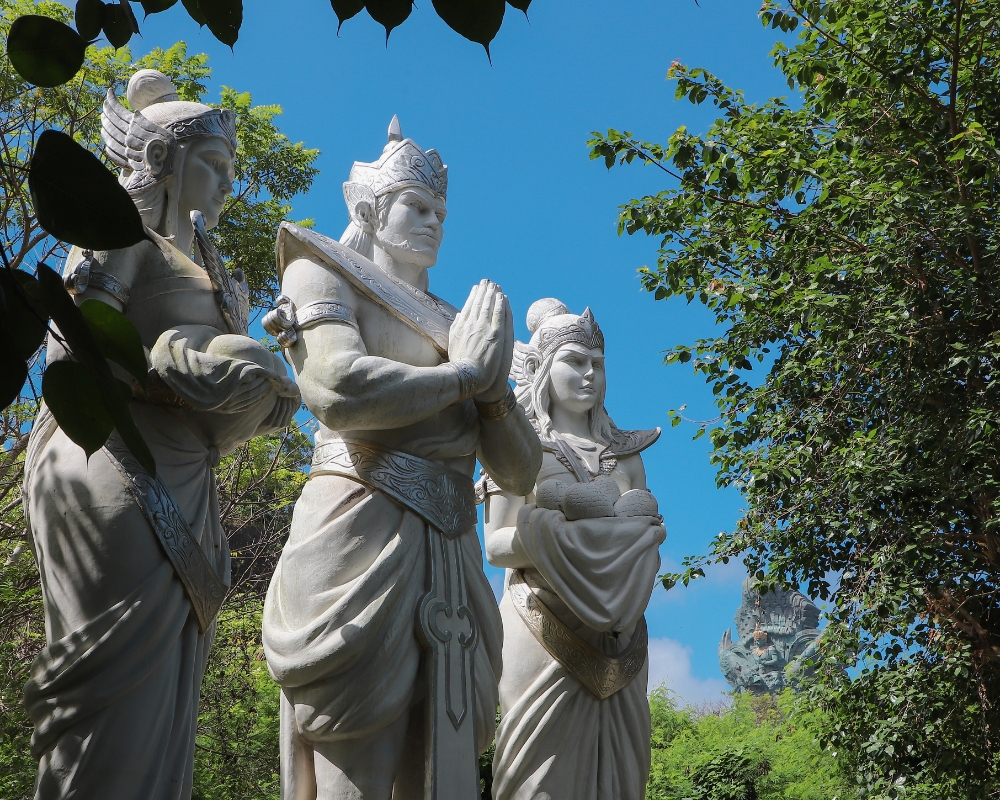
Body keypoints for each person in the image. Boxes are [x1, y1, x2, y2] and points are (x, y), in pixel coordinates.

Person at [22, 69, 299, 800]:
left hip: (187, 471)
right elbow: (70, 350)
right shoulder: (119, 240)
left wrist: (260, 388)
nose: (229, 184)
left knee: (167, 703)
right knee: (104, 692)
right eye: (215, 164)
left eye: (233, 169)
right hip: (109, 461)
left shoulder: (212, 273)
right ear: (161, 163)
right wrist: (167, 372)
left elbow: (226, 383)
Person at [261, 117, 541, 800]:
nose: (433, 222)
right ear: (369, 210)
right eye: (417, 206)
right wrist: (462, 378)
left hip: (450, 552)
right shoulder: (320, 273)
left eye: (441, 211)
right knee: (354, 766)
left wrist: (494, 384)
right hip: (357, 531)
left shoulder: (461, 322)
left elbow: (521, 471)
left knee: (442, 772)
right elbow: (337, 388)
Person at [482, 298, 666, 800]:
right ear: (542, 370)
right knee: (535, 775)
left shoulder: (626, 458)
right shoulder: (519, 447)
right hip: (541, 620)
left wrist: (605, 536)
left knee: (623, 777)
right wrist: (566, 537)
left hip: (621, 630)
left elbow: (643, 530)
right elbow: (496, 546)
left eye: (597, 365)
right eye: (574, 361)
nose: (589, 375)